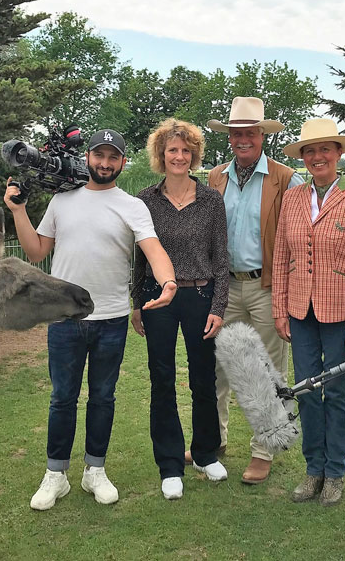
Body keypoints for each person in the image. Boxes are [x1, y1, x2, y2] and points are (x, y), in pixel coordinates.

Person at [4, 128, 177, 510]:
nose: (105, 162)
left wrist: (168, 281)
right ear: (88, 157)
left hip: (112, 319)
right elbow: (35, 252)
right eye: (99, 155)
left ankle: (94, 470)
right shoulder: (62, 201)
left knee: (102, 397)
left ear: (122, 162)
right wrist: (18, 211)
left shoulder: (132, 205)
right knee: (62, 398)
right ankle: (56, 475)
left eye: (112, 157)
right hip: (64, 317)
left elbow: (154, 249)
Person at [271, 119, 345, 506]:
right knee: (305, 390)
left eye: (324, 150)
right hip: (300, 311)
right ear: (302, 158)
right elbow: (282, 255)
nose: (317, 157)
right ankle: (312, 469)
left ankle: (335, 472)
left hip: (340, 315)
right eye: (309, 151)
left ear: (338, 153)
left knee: (335, 391)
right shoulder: (294, 197)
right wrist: (280, 308)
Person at [203, 96, 304, 484]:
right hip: (223, 287)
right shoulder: (216, 177)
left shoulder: (286, 178)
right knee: (217, 368)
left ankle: (264, 449)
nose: (242, 139)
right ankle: (214, 439)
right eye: (236, 134)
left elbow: (298, 237)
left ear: (262, 136)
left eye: (250, 133)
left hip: (266, 286)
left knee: (268, 369)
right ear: (229, 138)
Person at [130, 119, 230, 500]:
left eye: (186, 150)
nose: (179, 156)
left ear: (194, 156)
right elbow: (138, 258)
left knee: (204, 379)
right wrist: (137, 302)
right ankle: (170, 464)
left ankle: (204, 453)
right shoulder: (145, 200)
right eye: (172, 149)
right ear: (161, 154)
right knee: (162, 379)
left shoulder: (211, 201)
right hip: (158, 299)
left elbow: (221, 260)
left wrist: (218, 306)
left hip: (201, 297)